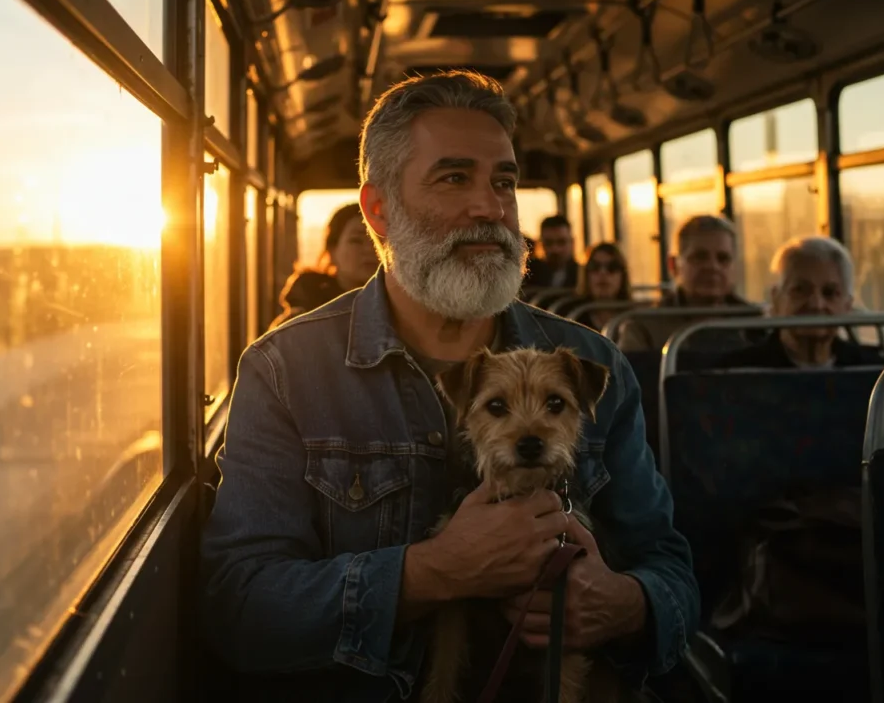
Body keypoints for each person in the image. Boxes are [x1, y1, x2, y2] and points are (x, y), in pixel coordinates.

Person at [200, 69, 699, 702]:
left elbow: (675, 573)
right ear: (379, 209)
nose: (490, 208)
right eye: (454, 177)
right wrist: (432, 574)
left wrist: (622, 603)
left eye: (505, 182)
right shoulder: (286, 372)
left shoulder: (595, 362)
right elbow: (239, 608)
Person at [715, 235, 884, 369]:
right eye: (800, 290)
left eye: (830, 293)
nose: (816, 304)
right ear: (775, 300)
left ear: (847, 306)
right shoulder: (737, 372)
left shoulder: (875, 371)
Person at [617, 215, 755, 353]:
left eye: (723, 258)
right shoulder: (644, 328)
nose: (713, 267)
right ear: (673, 266)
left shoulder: (757, 325)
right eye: (700, 257)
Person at [270, 202, 380, 328]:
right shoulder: (301, 319)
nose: (370, 249)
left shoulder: (402, 310)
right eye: (356, 240)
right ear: (332, 250)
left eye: (379, 239)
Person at [572, 242, 634, 333]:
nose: (603, 273)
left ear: (622, 276)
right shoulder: (574, 316)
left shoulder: (634, 318)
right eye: (595, 267)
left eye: (612, 267)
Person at [536, 214, 580, 288]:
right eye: (549, 243)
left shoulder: (584, 276)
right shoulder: (532, 275)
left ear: (572, 243)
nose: (555, 249)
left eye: (561, 242)